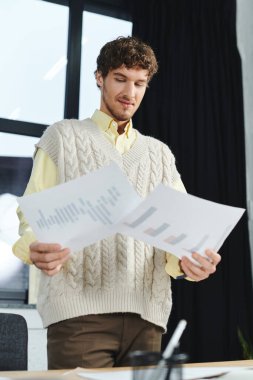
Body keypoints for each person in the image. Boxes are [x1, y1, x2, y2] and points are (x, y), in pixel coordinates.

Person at [13, 36, 221, 369]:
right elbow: (32, 212)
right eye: (121, 79)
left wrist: (190, 263)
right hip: (79, 317)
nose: (130, 93)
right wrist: (34, 245)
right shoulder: (62, 137)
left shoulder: (160, 155)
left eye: (140, 83)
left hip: (147, 319)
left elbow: (179, 236)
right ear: (100, 77)